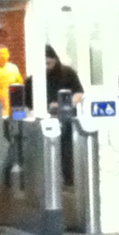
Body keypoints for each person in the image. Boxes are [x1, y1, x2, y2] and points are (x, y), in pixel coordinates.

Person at [44, 45, 83, 185]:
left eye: (49, 63)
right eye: (45, 64)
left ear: (55, 59)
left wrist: (66, 106)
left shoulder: (68, 72)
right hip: (47, 118)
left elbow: (79, 92)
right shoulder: (38, 77)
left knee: (67, 148)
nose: (47, 67)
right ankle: (52, 179)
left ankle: (68, 178)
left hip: (66, 118)